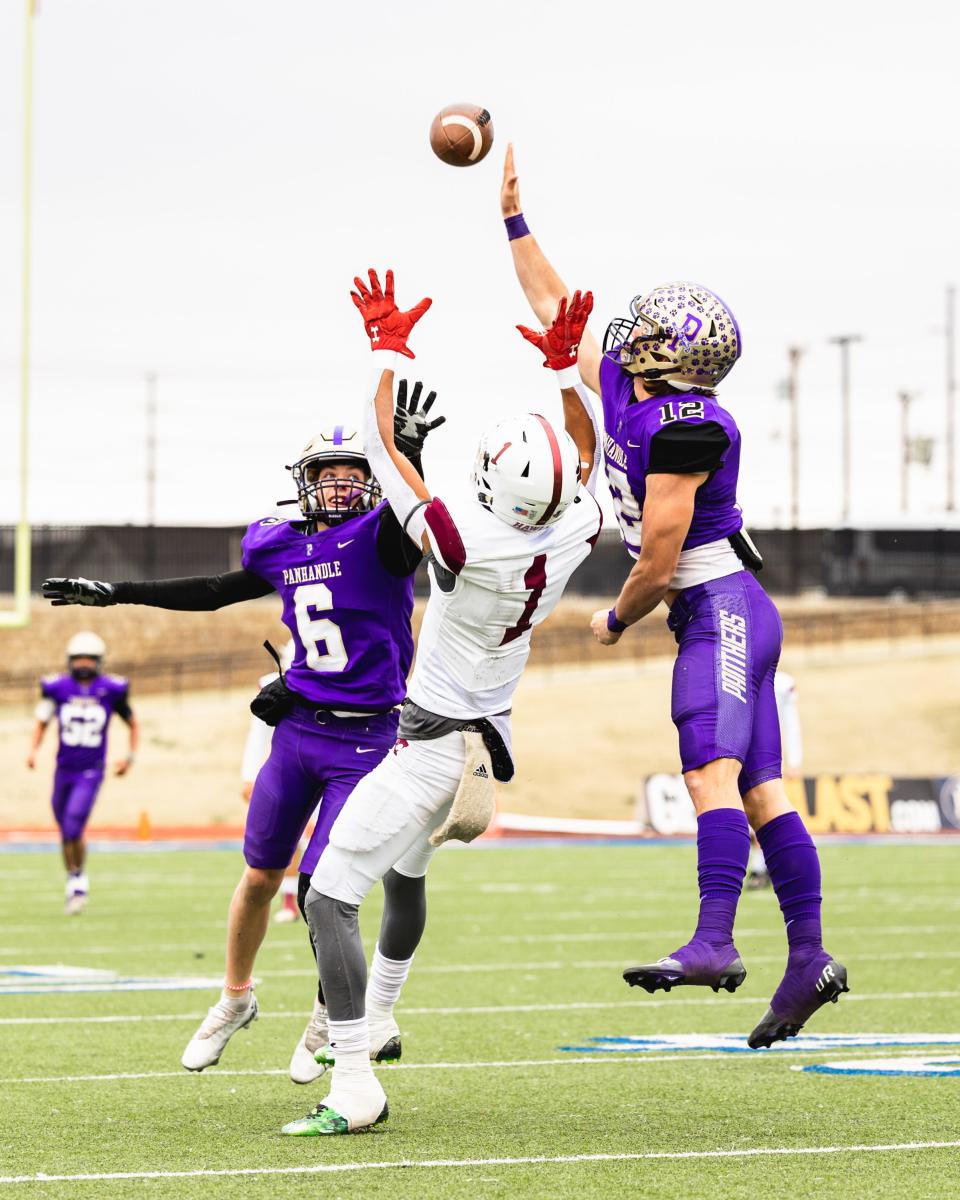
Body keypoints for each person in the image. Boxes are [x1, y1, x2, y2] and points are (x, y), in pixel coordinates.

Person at [500, 146, 846, 1050]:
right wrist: (513, 223)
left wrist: (614, 618)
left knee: (708, 772)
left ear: (670, 352)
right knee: (763, 790)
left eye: (646, 331)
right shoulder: (630, 383)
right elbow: (557, 307)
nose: (627, 336)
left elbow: (656, 560)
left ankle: (715, 942)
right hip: (729, 609)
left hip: (718, 605)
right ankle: (809, 958)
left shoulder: (684, 424)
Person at [282, 268, 602, 1136]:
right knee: (406, 871)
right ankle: (380, 1013)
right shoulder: (578, 524)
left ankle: (353, 1081)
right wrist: (568, 369)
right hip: (486, 733)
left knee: (329, 895)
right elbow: (590, 449)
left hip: (430, 744)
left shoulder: (466, 538)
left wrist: (386, 347)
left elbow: (384, 452)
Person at [42, 390, 443, 1082]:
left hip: (368, 743)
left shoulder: (386, 536)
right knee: (259, 874)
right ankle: (234, 997)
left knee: (326, 888)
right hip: (297, 733)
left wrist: (409, 453)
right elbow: (212, 589)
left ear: (371, 480)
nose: (341, 485)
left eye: (353, 472)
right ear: (306, 481)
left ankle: (330, 1014)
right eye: (328, 474)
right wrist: (117, 592)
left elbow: (419, 519)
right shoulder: (282, 543)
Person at [26, 632, 138, 914]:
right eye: (79, 658)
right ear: (70, 660)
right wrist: (32, 750)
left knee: (74, 825)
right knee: (66, 831)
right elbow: (42, 721)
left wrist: (129, 757)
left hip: (91, 771)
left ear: (99, 661)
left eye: (89, 658)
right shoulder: (58, 688)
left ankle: (78, 879)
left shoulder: (111, 689)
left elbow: (133, 723)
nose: (84, 663)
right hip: (63, 770)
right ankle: (74, 877)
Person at [239, 639, 303, 921]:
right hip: (290, 770)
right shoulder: (273, 685)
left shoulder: (336, 685)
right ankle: (290, 900)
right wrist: (249, 775)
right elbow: (258, 734)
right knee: (287, 839)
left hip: (332, 767)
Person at [747, 671, 803, 888]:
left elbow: (791, 723)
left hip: (766, 758)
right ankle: (768, 866)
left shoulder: (781, 683)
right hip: (743, 757)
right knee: (754, 817)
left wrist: (795, 761)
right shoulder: (735, 673)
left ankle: (761, 868)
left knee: (764, 815)